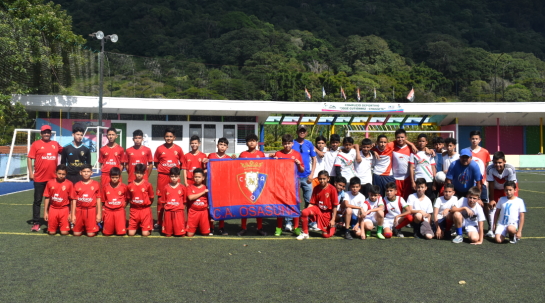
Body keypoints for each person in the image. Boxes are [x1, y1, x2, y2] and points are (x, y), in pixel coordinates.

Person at [28, 125, 63, 232]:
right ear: (41, 134)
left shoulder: (55, 144)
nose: (46, 134)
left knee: (53, 201)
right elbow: (30, 158)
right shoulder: (36, 144)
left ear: (50, 133)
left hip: (53, 179)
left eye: (48, 132)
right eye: (44, 132)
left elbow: (65, 151)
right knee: (38, 201)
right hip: (39, 178)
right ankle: (36, 222)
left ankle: (51, 221)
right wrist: (30, 173)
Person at [233, 134, 267, 236]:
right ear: (246, 143)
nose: (251, 143)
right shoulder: (243, 154)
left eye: (253, 141)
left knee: (258, 205)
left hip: (259, 183)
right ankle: (243, 228)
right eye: (249, 141)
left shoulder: (261, 154)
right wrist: (234, 160)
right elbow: (237, 168)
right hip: (246, 183)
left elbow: (266, 168)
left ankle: (259, 228)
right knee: (245, 205)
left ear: (257, 143)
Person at [272, 134, 305, 236]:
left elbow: (302, 170)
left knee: (295, 205)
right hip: (280, 184)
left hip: (293, 184)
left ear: (292, 143)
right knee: (279, 206)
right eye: (285, 143)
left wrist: (299, 164)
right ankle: (278, 227)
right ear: (282, 144)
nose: (287, 145)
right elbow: (272, 169)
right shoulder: (278, 153)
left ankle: (296, 227)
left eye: (289, 143)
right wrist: (273, 161)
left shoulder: (297, 154)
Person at [153, 127, 184, 231]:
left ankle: (176, 222)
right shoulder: (159, 148)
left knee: (176, 198)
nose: (169, 138)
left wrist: (175, 173)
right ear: (164, 137)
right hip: (162, 176)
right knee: (161, 200)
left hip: (174, 177)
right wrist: (163, 170)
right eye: (167, 136)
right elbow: (156, 162)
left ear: (174, 137)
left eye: (171, 136)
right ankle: (159, 222)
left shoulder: (178, 149)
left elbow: (182, 162)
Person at [372, 132, 418, 198]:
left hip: (388, 175)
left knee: (391, 195)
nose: (383, 144)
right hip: (377, 174)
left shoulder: (390, 145)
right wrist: (373, 151)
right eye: (381, 142)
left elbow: (402, 139)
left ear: (387, 142)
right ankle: (381, 207)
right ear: (377, 142)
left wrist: (411, 144)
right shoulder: (374, 148)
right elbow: (364, 148)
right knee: (379, 195)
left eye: (385, 142)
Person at [297, 170, 338, 240]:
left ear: (328, 179)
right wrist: (306, 212)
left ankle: (333, 228)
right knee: (304, 212)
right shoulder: (316, 188)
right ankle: (305, 233)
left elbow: (335, 206)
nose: (322, 181)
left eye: (324, 179)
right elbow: (312, 203)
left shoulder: (332, 189)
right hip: (318, 209)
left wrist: (333, 219)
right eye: (320, 179)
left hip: (327, 213)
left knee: (325, 235)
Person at [466, 130, 492, 235]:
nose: (474, 140)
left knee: (484, 204)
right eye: (472, 138)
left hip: (482, 183)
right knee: (469, 203)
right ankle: (468, 224)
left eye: (476, 139)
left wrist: (486, 182)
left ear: (480, 140)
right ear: (469, 139)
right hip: (469, 183)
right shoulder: (466, 151)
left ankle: (489, 226)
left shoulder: (485, 152)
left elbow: (486, 168)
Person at [486, 151, 518, 237]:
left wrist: (509, 197)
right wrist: (492, 199)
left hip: (508, 188)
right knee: (492, 208)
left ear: (504, 161)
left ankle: (513, 228)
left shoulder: (510, 168)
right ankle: (491, 229)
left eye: (500, 162)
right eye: (495, 162)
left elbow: (511, 185)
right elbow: (491, 185)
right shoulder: (490, 168)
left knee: (511, 207)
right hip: (496, 189)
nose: (498, 165)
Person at [205, 137, 231, 235]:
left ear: (227, 147)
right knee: (211, 205)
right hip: (212, 185)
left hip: (223, 187)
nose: (222, 147)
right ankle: (211, 227)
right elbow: (205, 168)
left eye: (224, 145)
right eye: (221, 144)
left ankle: (221, 227)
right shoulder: (211, 156)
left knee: (222, 206)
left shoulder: (229, 158)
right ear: (217, 145)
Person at [70, 164, 101, 237]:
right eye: (84, 171)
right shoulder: (77, 185)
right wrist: (73, 215)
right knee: (76, 234)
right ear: (80, 172)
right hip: (79, 210)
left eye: (88, 171)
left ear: (91, 173)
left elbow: (98, 199)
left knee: (90, 234)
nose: (86, 173)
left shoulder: (96, 184)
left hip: (91, 210)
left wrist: (99, 213)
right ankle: (82, 226)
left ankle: (97, 226)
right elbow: (74, 201)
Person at [43, 164, 73, 235]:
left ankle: (65, 226)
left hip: (64, 209)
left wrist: (71, 213)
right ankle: (55, 225)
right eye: (59, 173)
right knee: (51, 233)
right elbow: (47, 197)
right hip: (53, 209)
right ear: (55, 172)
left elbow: (72, 199)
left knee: (64, 233)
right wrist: (45, 212)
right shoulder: (50, 183)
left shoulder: (69, 184)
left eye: (63, 174)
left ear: (66, 174)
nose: (61, 175)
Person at [127, 164, 154, 237]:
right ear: (134, 172)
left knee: (145, 234)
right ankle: (138, 225)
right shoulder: (130, 185)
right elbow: (129, 198)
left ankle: (147, 227)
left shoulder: (148, 185)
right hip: (134, 210)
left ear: (144, 173)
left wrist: (146, 205)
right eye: (138, 172)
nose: (139, 175)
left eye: (141, 173)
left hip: (144, 210)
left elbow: (151, 198)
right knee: (130, 234)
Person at [292, 125, 317, 206]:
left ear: (306, 133)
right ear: (297, 132)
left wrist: (312, 174)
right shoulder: (292, 143)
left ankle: (307, 218)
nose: (302, 132)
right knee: (294, 199)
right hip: (294, 176)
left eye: (304, 131)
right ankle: (292, 218)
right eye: (300, 131)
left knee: (309, 199)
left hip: (307, 176)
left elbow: (314, 159)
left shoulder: (309, 144)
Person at [100, 167, 128, 236]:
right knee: (107, 233)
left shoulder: (124, 187)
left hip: (119, 211)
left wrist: (122, 206)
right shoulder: (105, 187)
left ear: (119, 177)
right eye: (113, 177)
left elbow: (127, 199)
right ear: (110, 177)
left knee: (121, 233)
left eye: (116, 177)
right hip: (109, 211)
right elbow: (103, 200)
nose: (114, 179)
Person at [408, 133, 436, 202]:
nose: (421, 143)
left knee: (429, 199)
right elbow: (411, 168)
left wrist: (434, 182)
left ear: (426, 142)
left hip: (429, 180)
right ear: (417, 142)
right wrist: (412, 181)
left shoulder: (430, 153)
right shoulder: (413, 154)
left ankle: (429, 213)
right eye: (420, 141)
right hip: (418, 180)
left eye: (423, 141)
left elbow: (433, 167)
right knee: (417, 199)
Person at [161, 167, 187, 237]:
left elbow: (184, 201)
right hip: (168, 211)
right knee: (168, 234)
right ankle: (168, 229)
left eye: (176, 176)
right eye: (172, 176)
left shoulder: (182, 187)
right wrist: (167, 208)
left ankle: (179, 229)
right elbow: (163, 201)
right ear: (169, 176)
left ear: (179, 176)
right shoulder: (166, 187)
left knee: (181, 234)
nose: (174, 178)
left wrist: (181, 208)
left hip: (178, 211)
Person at [187, 169, 212, 237]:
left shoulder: (206, 188)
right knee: (189, 235)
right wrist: (203, 192)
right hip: (193, 212)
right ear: (193, 177)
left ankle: (199, 227)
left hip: (203, 212)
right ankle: (195, 227)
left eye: (199, 177)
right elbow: (190, 198)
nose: (197, 179)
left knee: (205, 233)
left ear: (203, 178)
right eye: (195, 177)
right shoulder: (190, 187)